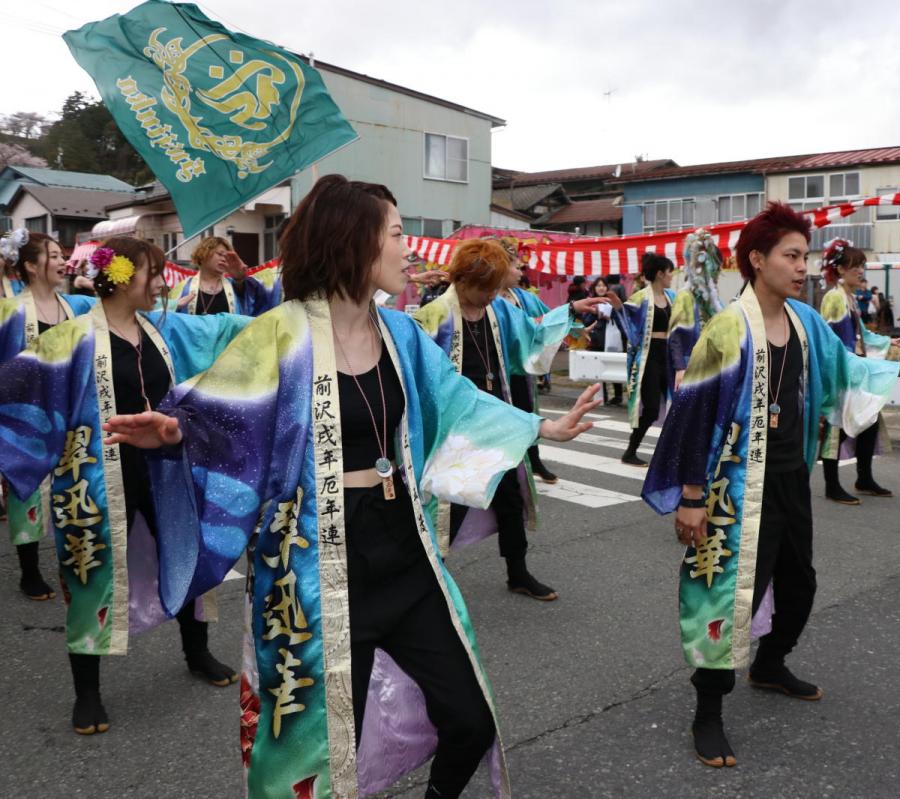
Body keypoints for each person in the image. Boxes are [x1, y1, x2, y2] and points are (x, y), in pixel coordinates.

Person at [101, 175, 602, 798]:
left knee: (470, 719)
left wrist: (541, 426)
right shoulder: (277, 336)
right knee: (318, 750)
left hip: (405, 549)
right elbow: (224, 423)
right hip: (314, 565)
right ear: (354, 241)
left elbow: (457, 401)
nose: (407, 248)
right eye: (395, 233)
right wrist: (175, 437)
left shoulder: (402, 334)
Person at [642, 202, 900, 768]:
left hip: (788, 479)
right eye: (791, 255)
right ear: (757, 259)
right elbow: (693, 415)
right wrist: (693, 496)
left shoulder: (803, 321)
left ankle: (771, 663)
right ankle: (708, 710)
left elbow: (846, 365)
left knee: (800, 586)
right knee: (723, 595)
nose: (803, 266)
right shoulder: (729, 328)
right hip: (732, 487)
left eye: (807, 255)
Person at [0, 236, 250, 736]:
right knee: (89, 576)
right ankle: (87, 693)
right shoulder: (69, 340)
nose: (162, 282)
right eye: (153, 272)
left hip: (168, 471)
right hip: (96, 479)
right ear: (120, 276)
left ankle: (196, 650)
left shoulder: (163, 329)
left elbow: (227, 328)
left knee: (188, 555)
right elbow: (18, 391)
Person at [411, 238, 607, 601]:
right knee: (446, 503)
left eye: (495, 288)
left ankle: (518, 571)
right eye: (486, 288)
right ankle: (429, 574)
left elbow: (533, 331)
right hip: (453, 426)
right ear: (463, 280)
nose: (491, 295)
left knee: (510, 496)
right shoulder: (433, 317)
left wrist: (571, 309)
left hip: (497, 418)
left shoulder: (498, 311)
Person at [0, 230, 96, 601]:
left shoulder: (78, 306)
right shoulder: (8, 313)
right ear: (30, 265)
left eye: (61, 255)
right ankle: (29, 572)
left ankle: (71, 564)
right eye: (54, 255)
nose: (62, 261)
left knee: (75, 490)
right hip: (28, 418)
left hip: (73, 412)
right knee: (28, 496)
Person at [818, 239, 900, 504]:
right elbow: (834, 344)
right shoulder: (834, 298)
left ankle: (864, 478)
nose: (861, 271)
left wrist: (888, 342)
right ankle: (832, 485)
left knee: (868, 423)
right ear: (840, 269)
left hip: (854, 371)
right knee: (836, 430)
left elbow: (861, 335)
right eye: (855, 266)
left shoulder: (847, 297)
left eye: (862, 266)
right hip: (842, 373)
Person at [496, 237, 560, 484]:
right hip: (496, 369)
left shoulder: (523, 298)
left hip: (521, 369)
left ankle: (534, 459)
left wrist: (573, 327)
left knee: (528, 414)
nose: (521, 272)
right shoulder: (487, 298)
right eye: (516, 266)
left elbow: (550, 318)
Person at [618, 252, 676, 466]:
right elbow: (628, 326)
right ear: (660, 274)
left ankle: (668, 453)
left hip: (669, 356)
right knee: (651, 408)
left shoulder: (673, 297)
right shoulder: (640, 297)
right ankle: (630, 451)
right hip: (649, 356)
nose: (672, 275)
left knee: (675, 405)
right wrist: (618, 308)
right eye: (669, 272)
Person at [668, 229, 725, 390]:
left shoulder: (715, 302)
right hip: (690, 366)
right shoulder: (685, 297)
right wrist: (680, 368)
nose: (718, 273)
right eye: (716, 267)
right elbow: (675, 336)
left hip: (713, 367)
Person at [168, 236, 279, 316]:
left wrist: (240, 279)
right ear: (203, 254)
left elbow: (262, 299)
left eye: (227, 256)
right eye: (220, 254)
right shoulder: (182, 287)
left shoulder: (236, 285)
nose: (224, 258)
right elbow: (169, 318)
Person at [583, 276, 628, 406]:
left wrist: (611, 314)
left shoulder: (614, 303)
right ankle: (602, 396)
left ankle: (618, 395)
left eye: (603, 285)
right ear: (594, 288)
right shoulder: (590, 303)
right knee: (598, 369)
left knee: (614, 366)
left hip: (614, 341)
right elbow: (586, 321)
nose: (601, 288)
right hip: (597, 340)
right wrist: (595, 313)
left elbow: (622, 319)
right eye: (598, 286)